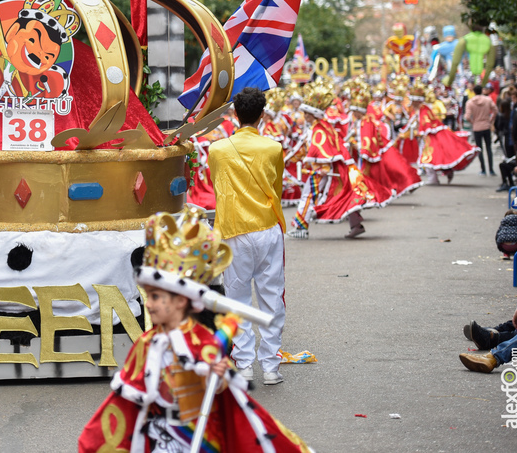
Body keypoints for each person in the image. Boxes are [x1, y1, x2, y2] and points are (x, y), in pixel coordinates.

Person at [78, 206, 311, 452]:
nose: (149, 303)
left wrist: (219, 376)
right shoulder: (148, 343)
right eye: (149, 295)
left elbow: (224, 401)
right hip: (160, 435)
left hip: (200, 436)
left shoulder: (203, 341)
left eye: (157, 297)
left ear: (181, 301)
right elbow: (126, 399)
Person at [207, 87, 287, 386]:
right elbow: (276, 185)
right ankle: (271, 366)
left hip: (233, 230)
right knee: (271, 297)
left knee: (237, 299)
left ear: (234, 114)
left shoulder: (217, 149)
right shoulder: (274, 148)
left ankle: (244, 364)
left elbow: (216, 182)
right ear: (262, 114)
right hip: (267, 228)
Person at [289, 80, 376, 239]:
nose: (304, 116)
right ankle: (356, 225)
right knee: (345, 193)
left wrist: (317, 167)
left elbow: (321, 151)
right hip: (330, 169)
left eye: (307, 113)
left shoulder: (319, 129)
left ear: (313, 114)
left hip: (322, 170)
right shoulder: (321, 125)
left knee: (308, 195)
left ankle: (301, 227)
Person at [465, 83, 498, 176]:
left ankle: (483, 170)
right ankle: (491, 170)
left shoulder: (470, 102)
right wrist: (491, 120)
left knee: (480, 149)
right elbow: (495, 110)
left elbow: (467, 116)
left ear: (474, 92)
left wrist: (473, 122)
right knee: (488, 148)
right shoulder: (488, 100)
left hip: (476, 127)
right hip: (486, 126)